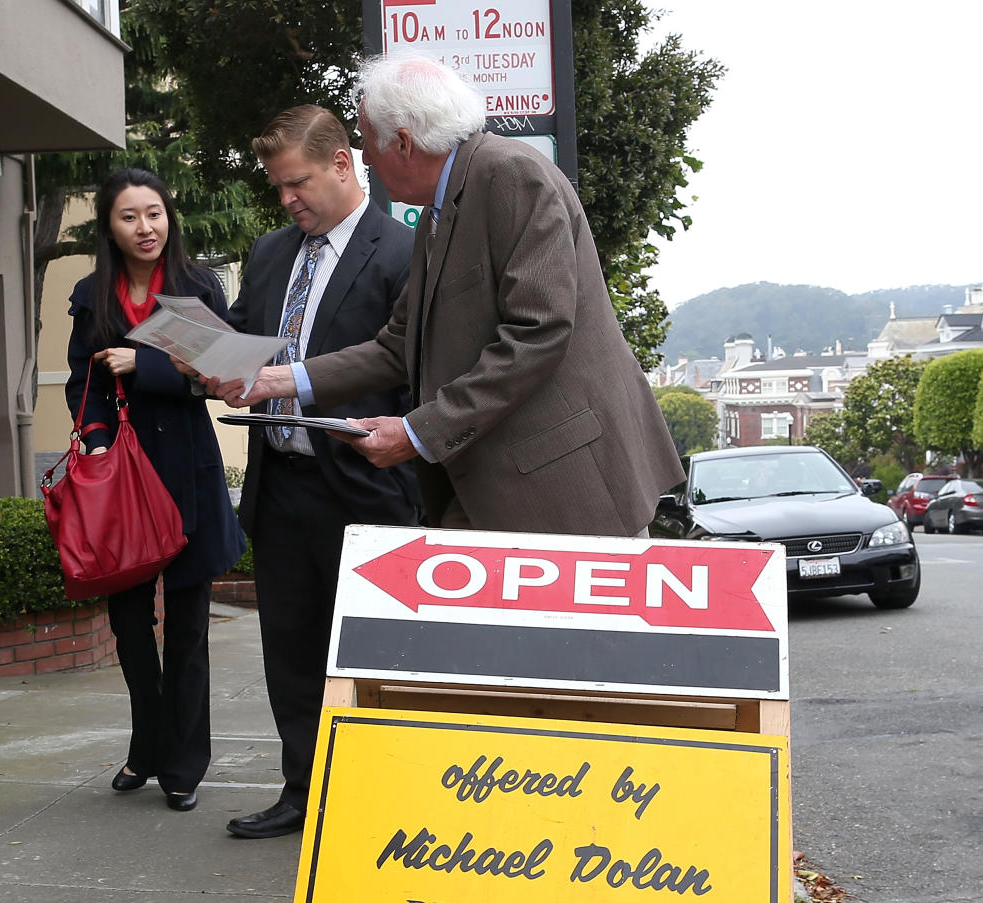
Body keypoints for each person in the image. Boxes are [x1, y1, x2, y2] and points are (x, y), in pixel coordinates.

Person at [217, 56, 684, 537]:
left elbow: (538, 333)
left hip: (564, 487)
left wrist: (417, 432)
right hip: (494, 486)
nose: (366, 160)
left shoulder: (512, 175)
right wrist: (278, 381)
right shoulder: (439, 211)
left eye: (368, 144)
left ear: (403, 143)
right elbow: (398, 344)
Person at [219, 106, 420, 839]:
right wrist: (211, 361)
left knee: (376, 660)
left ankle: (383, 803)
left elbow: (415, 377)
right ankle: (303, 791)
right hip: (280, 490)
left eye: (295, 182)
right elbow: (244, 340)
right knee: (292, 653)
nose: (286, 200)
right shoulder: (271, 252)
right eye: (276, 187)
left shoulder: (403, 253)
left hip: (369, 493)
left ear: (343, 165)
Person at [64, 167, 246, 813]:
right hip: (121, 477)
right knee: (130, 626)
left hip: (188, 473)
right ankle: (148, 744)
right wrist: (90, 436)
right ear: (110, 228)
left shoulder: (197, 287)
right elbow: (77, 381)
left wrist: (149, 365)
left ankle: (183, 764)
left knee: (189, 629)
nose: (146, 228)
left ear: (169, 218)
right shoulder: (93, 294)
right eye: (129, 217)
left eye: (155, 213)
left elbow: (225, 374)